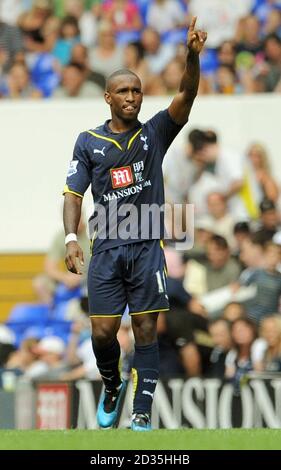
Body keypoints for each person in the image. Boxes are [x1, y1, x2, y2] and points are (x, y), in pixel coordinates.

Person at [62, 17, 207, 431]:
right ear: (108, 97)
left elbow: (187, 92)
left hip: (146, 248)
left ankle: (142, 412)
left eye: (137, 90)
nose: (131, 97)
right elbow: (73, 193)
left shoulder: (156, 132)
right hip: (106, 248)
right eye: (123, 91)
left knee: (146, 329)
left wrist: (191, 56)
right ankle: (112, 385)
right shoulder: (89, 141)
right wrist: (72, 237)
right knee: (104, 334)